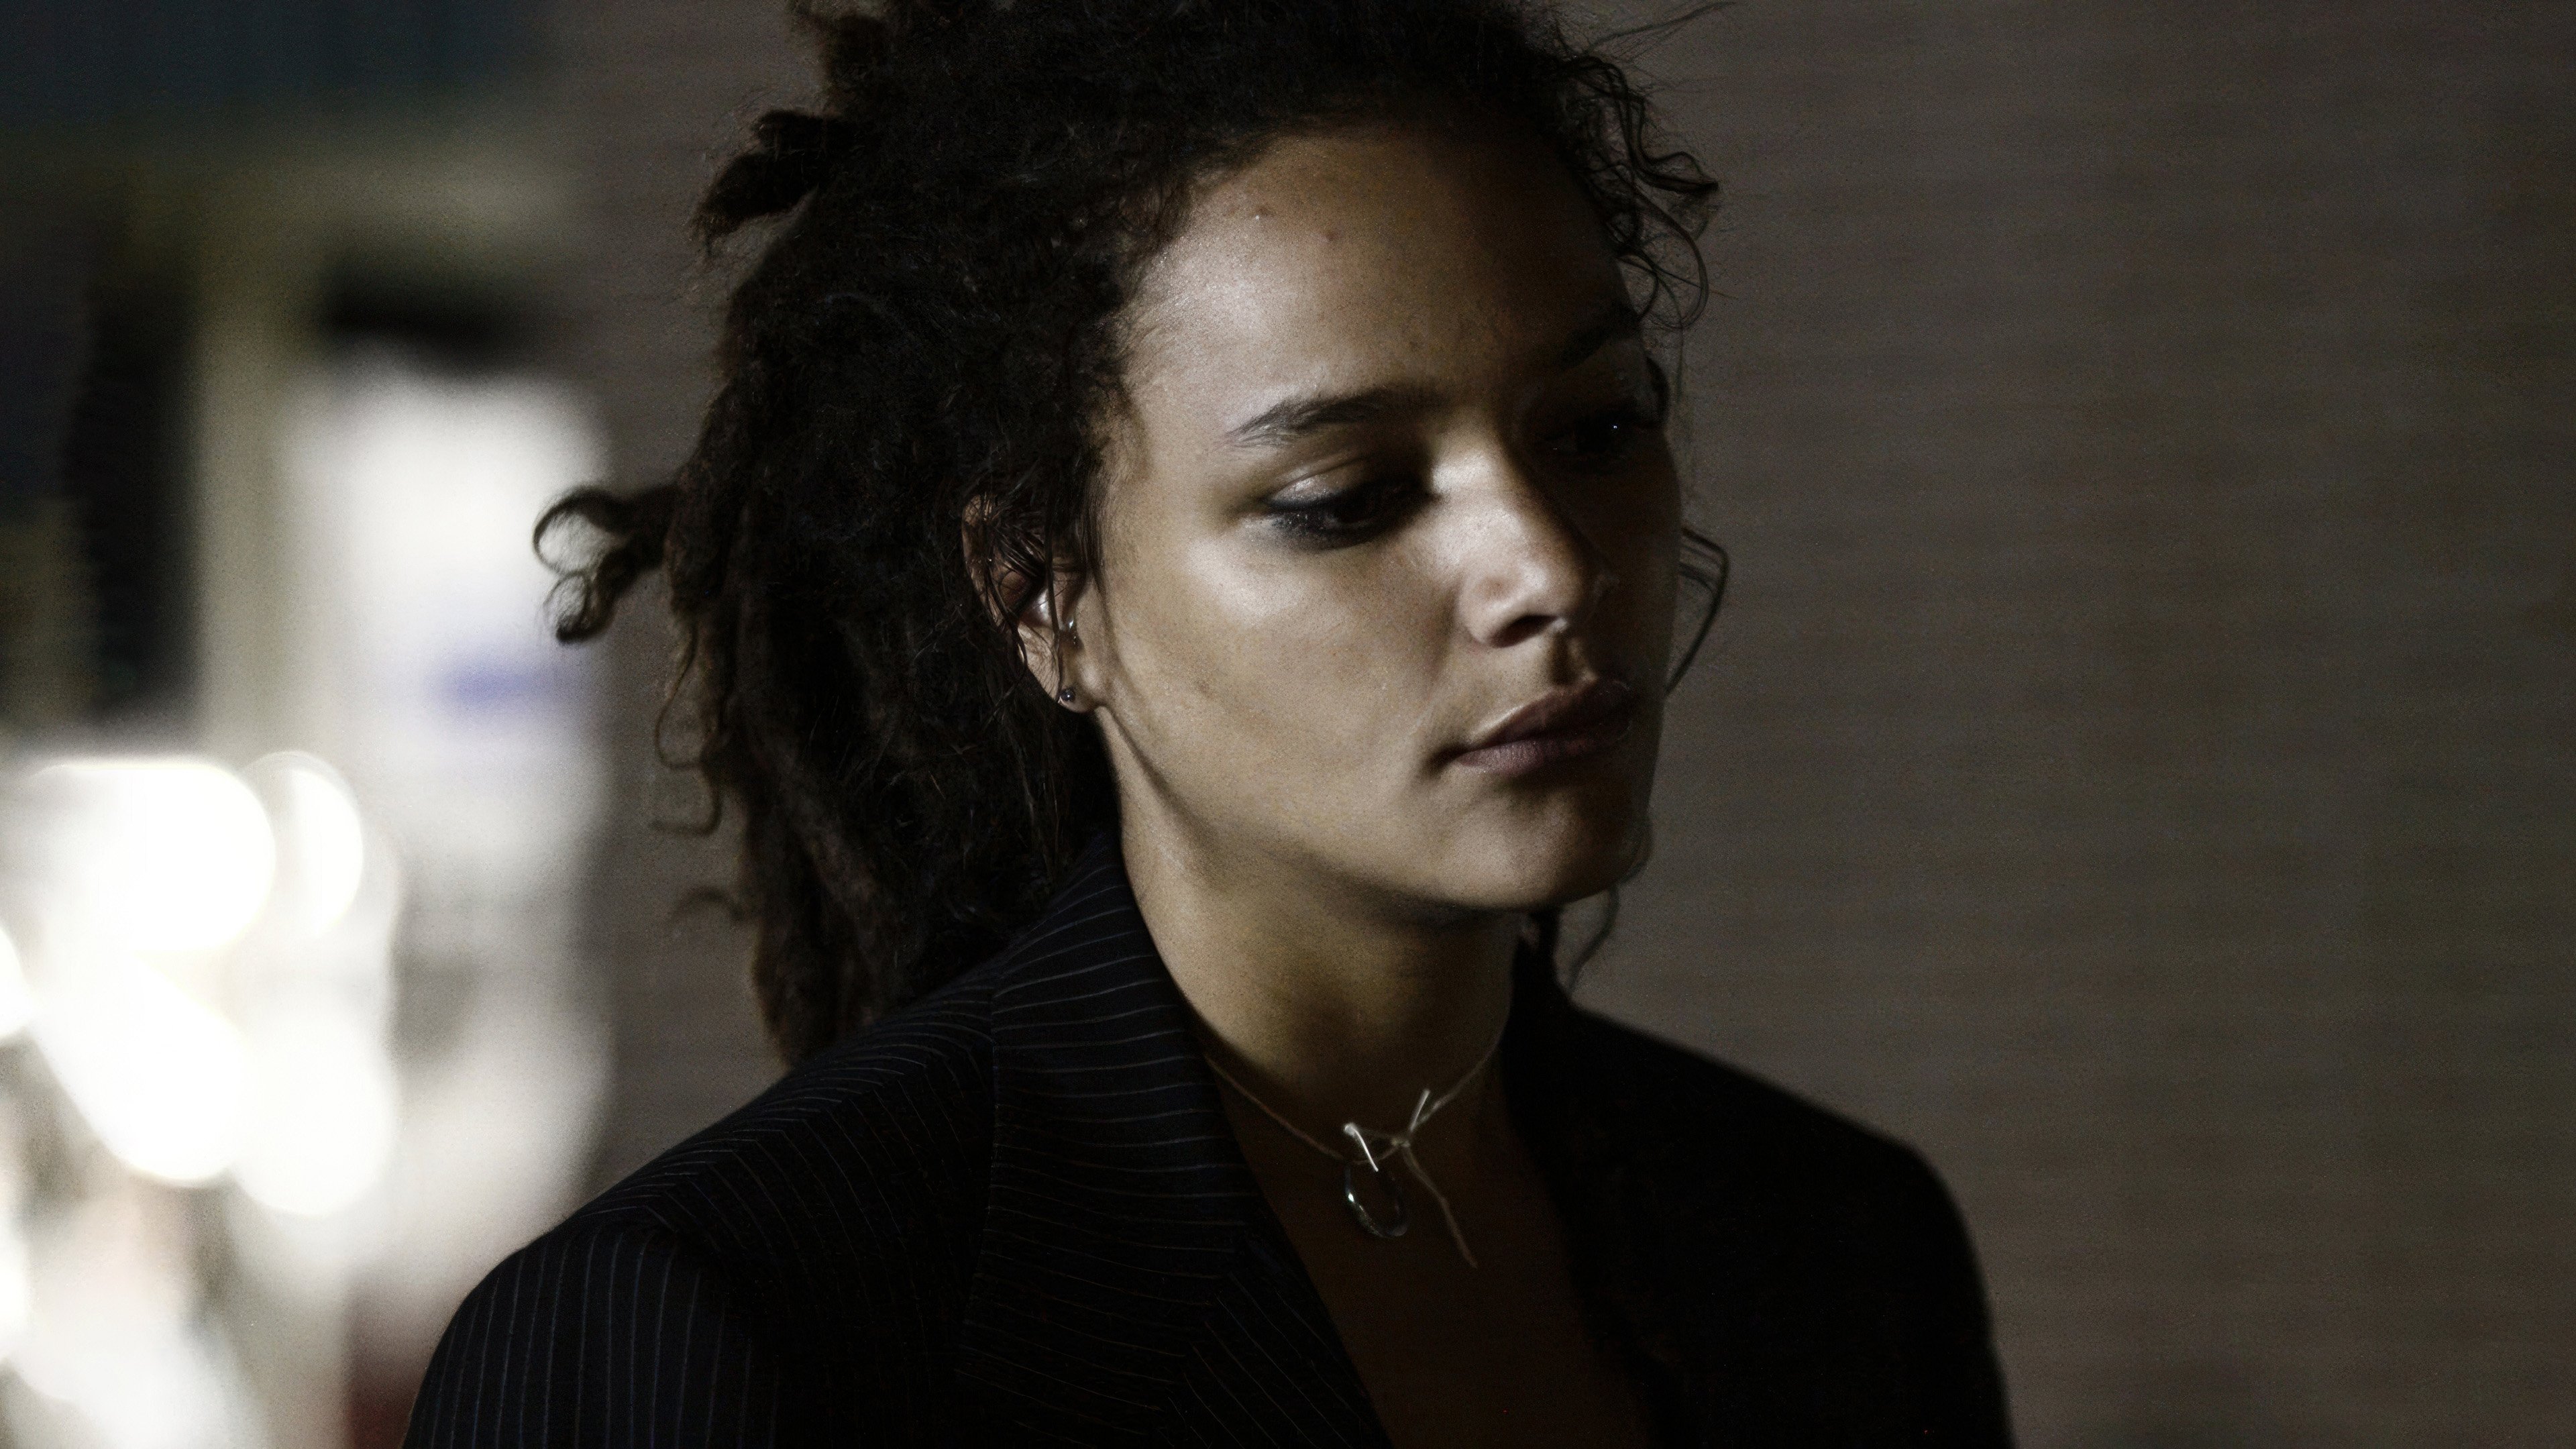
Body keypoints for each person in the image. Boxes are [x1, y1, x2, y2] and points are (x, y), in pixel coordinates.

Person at [404, 1, 2012, 1444]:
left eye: (1595, 429)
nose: (1547, 565)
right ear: (1048, 599)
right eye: (1348, 496)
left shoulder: (1837, 1249)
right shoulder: (724, 1325)